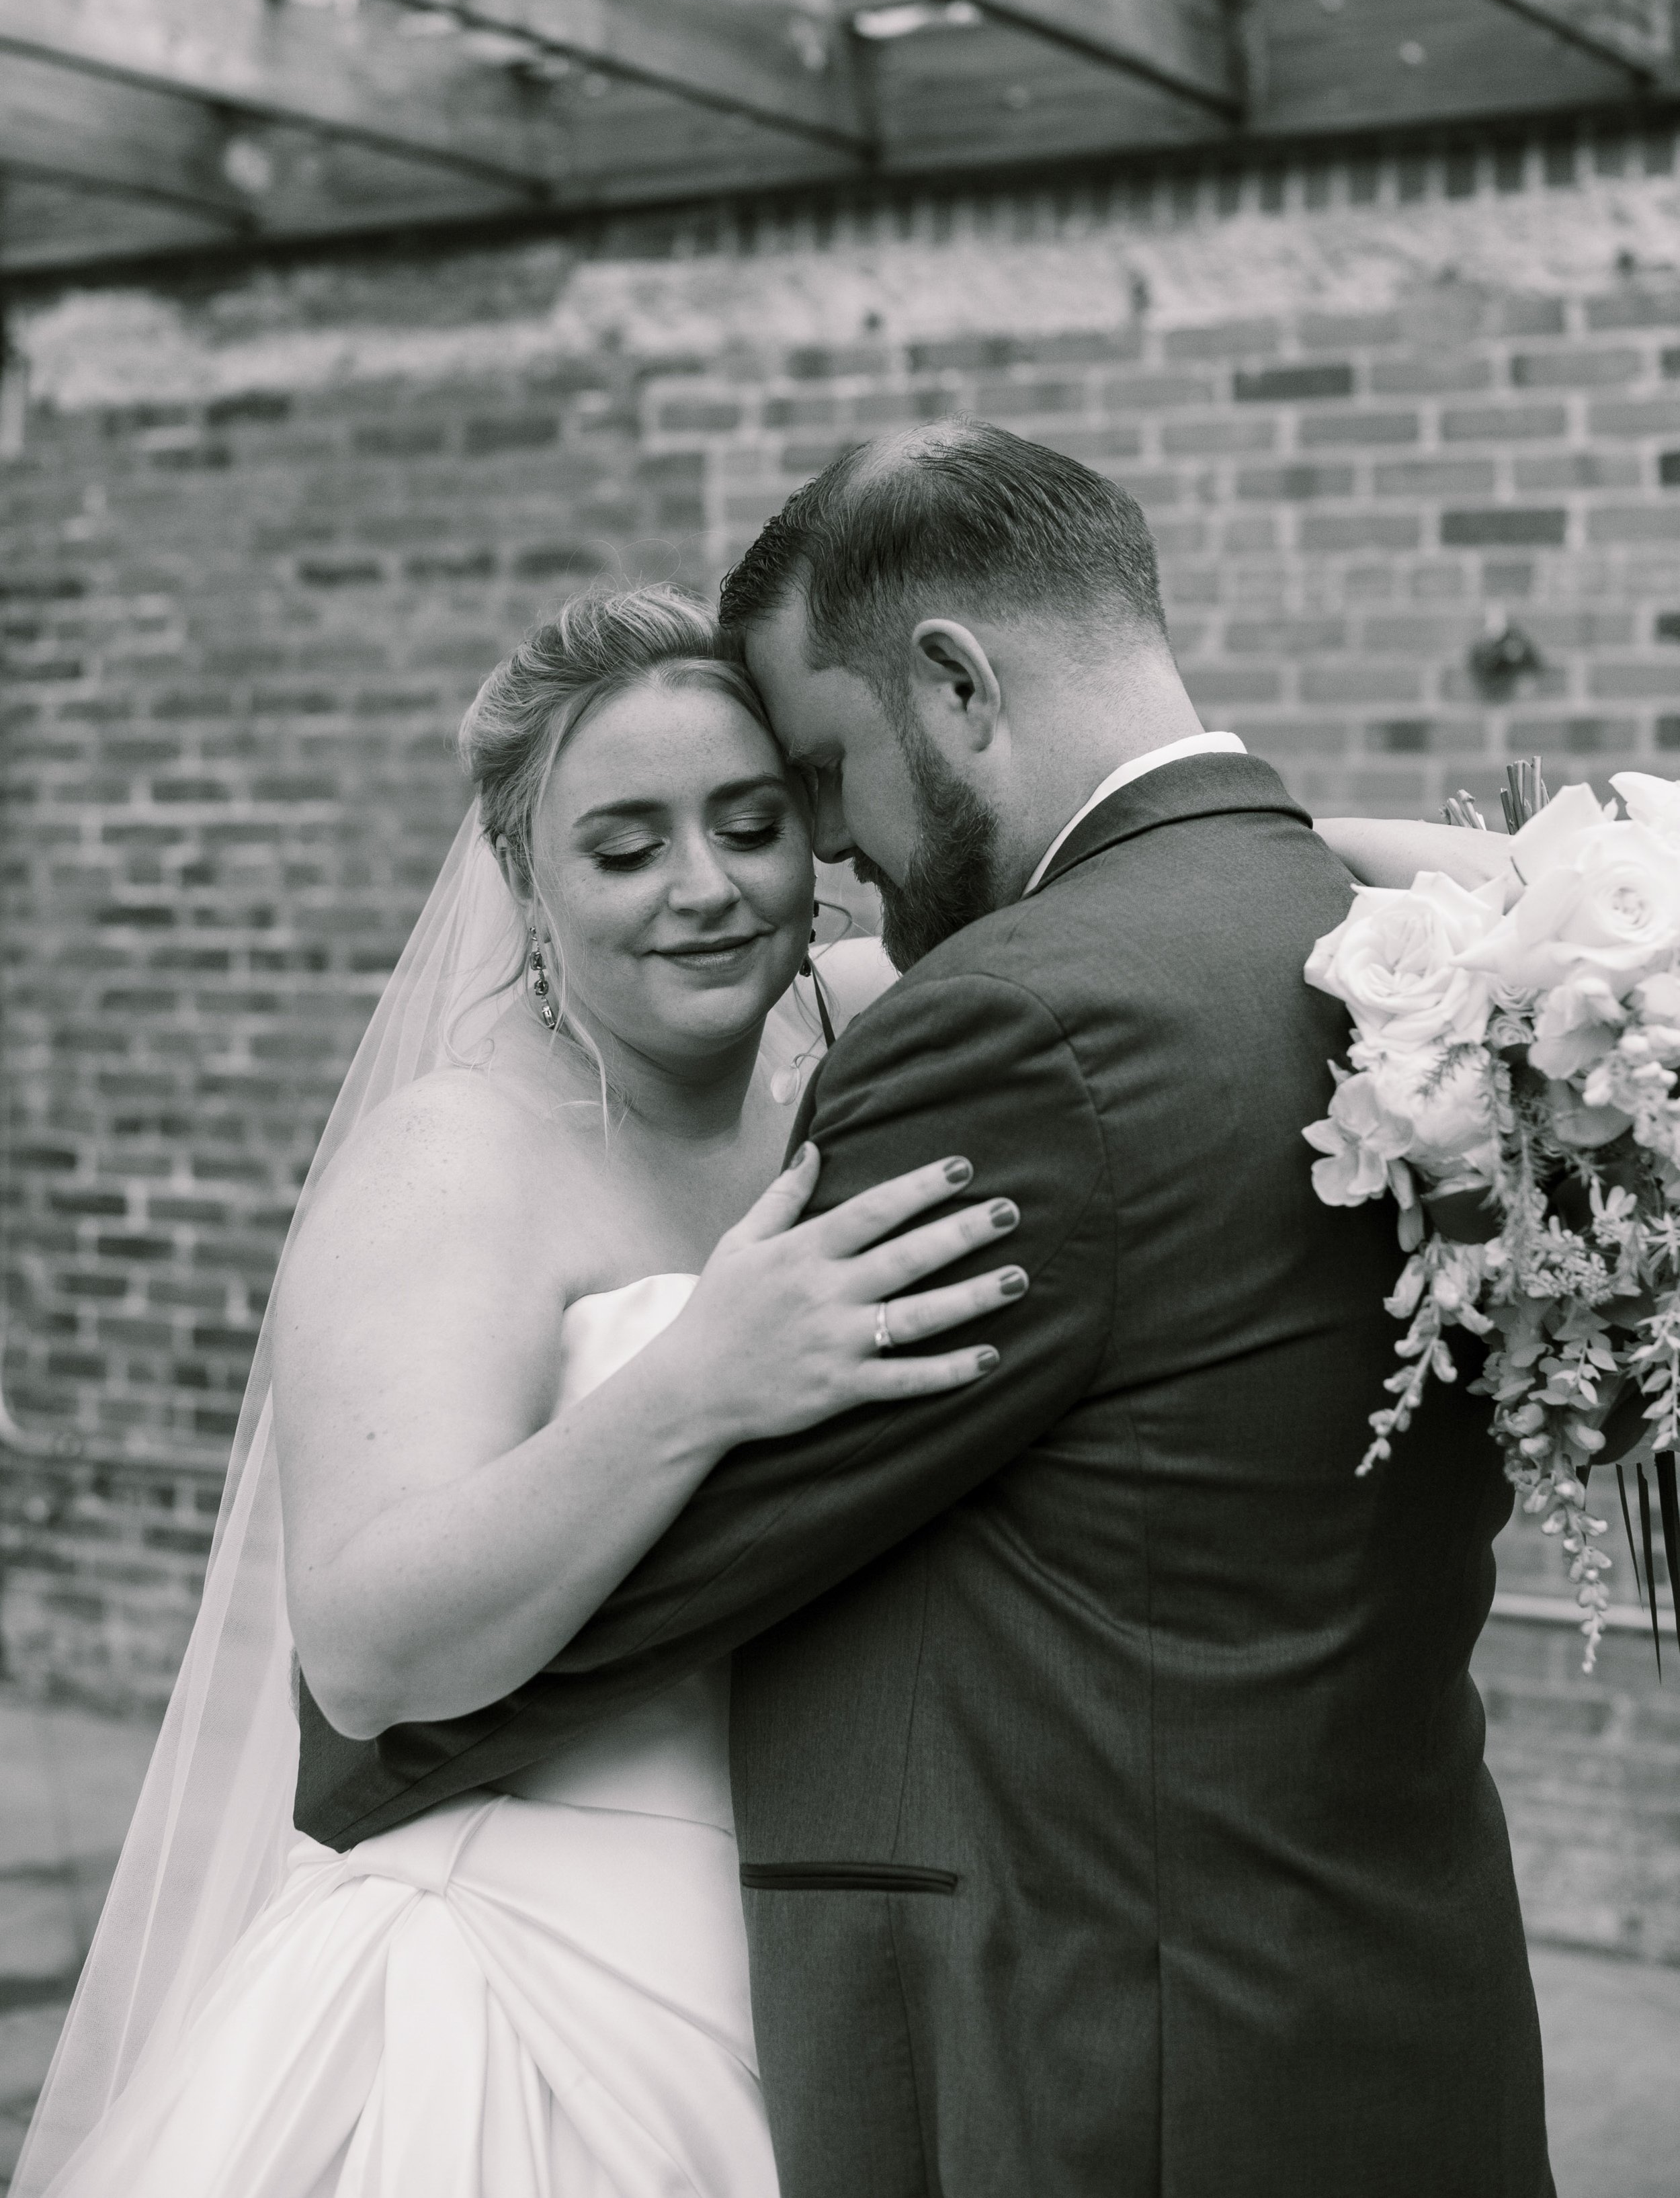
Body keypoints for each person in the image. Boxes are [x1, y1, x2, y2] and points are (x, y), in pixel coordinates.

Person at [18, 480, 1513, 2197]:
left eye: (753, 820)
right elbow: (361, 1652)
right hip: (518, 1955)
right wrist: (695, 1383)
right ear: (521, 873)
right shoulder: (453, 1160)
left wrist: (1507, 900)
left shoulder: (840, 1028)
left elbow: (1180, 906)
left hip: (791, 1934)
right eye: (625, 844)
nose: (704, 890)